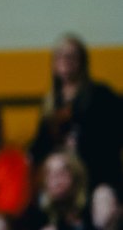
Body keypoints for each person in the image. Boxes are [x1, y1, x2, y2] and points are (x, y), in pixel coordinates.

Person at [31, 34, 123, 190]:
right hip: (61, 179)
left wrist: (83, 143)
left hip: (97, 175)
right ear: (54, 63)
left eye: (71, 56)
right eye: (60, 56)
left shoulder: (101, 94)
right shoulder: (50, 102)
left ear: (82, 61)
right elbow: (41, 146)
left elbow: (115, 137)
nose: (65, 60)